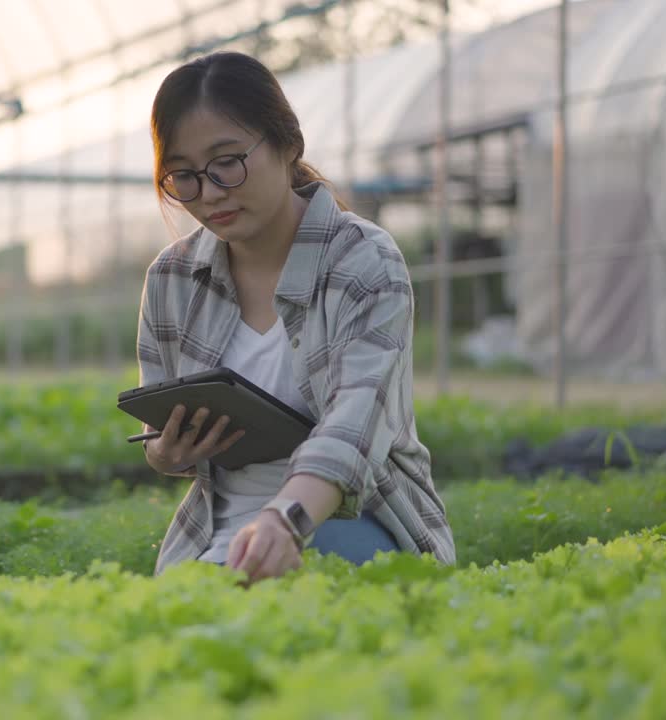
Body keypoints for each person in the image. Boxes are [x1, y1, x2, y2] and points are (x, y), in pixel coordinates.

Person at [135, 51, 455, 584]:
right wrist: (167, 455)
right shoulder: (172, 279)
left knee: (277, 598)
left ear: (288, 144)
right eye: (183, 176)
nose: (210, 193)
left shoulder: (362, 259)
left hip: (352, 518)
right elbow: (157, 438)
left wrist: (284, 521)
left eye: (227, 162)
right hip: (215, 530)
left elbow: (353, 429)